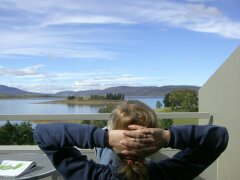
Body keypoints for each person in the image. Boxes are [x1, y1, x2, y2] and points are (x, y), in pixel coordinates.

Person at [34, 100, 229, 180]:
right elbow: (219, 137)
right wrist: (168, 137)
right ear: (153, 144)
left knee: (105, 156)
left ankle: (104, 145)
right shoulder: (169, 174)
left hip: (110, 157)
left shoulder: (93, 176)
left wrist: (104, 137)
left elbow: (43, 133)